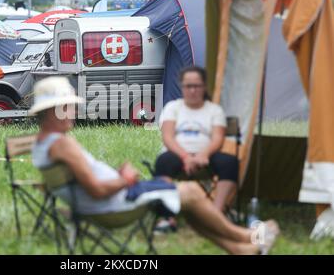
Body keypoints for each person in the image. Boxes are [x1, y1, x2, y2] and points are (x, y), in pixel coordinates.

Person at [29, 76, 279, 255]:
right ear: (54, 110)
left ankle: (239, 249)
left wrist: (115, 176)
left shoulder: (42, 145)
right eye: (68, 106)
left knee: (186, 202)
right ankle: (247, 237)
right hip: (113, 206)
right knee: (190, 192)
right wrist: (125, 178)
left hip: (102, 203)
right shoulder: (62, 145)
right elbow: (96, 189)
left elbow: (85, 182)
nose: (73, 111)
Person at [154, 66, 239, 213]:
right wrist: (186, 157)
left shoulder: (214, 110)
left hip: (206, 156)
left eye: (197, 86)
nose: (192, 90)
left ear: (204, 87)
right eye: (188, 86)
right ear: (182, 87)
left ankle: (216, 213)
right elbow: (167, 137)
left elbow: (218, 138)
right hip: (178, 154)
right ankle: (167, 214)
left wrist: (203, 155)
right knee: (163, 161)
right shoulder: (173, 107)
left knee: (230, 163)